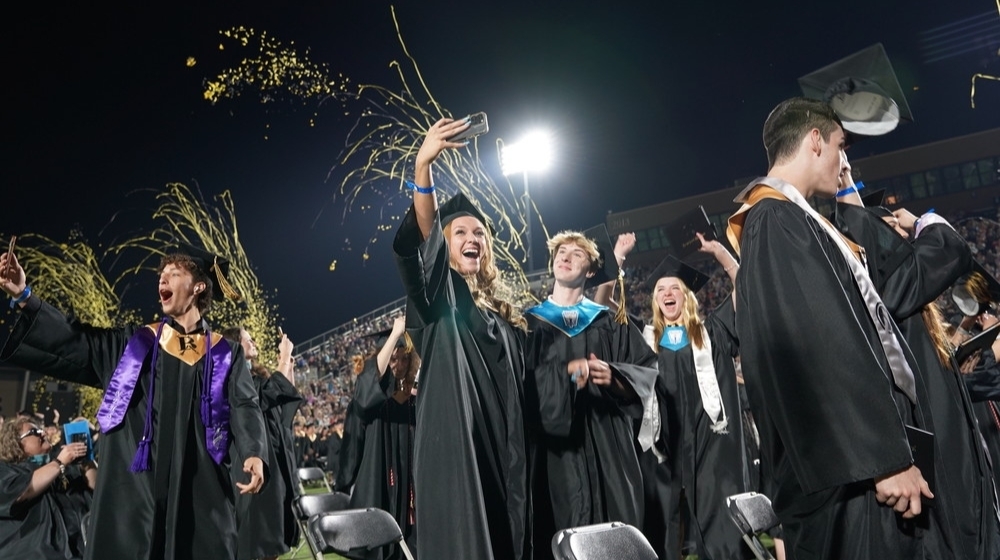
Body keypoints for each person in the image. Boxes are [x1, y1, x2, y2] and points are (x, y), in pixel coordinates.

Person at [725, 97, 933, 559]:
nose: (843, 163)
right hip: (849, 478)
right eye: (841, 145)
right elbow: (823, 344)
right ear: (815, 140)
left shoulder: (793, 219)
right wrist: (886, 459)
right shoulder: (776, 217)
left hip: (851, 467)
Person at [0, 247, 267, 560]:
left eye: (174, 274)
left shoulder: (225, 354)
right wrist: (25, 296)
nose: (162, 280)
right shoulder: (135, 344)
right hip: (135, 491)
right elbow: (76, 339)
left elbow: (246, 405)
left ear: (199, 286)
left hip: (199, 489)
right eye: (161, 275)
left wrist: (253, 451)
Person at [393, 117, 530, 560]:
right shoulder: (436, 299)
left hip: (502, 450)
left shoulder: (503, 318)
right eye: (460, 233)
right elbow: (426, 238)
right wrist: (423, 167)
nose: (472, 239)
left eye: (479, 234)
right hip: (457, 450)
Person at [835, 193, 999, 558]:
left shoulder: (916, 306)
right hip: (937, 456)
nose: (899, 238)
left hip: (962, 453)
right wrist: (923, 221)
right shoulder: (888, 300)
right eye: (887, 231)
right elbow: (948, 250)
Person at [524, 228, 657, 557]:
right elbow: (517, 388)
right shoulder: (527, 325)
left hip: (608, 446)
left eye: (577, 254)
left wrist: (615, 377)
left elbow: (647, 373)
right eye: (561, 253)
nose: (566, 257)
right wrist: (565, 372)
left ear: (593, 270)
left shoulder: (611, 322)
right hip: (553, 454)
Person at [642, 244, 749, 559]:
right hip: (664, 445)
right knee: (663, 527)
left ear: (686, 296)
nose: (668, 292)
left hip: (711, 444)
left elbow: (743, 289)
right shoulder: (644, 341)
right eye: (661, 288)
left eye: (675, 287)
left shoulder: (711, 332)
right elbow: (607, 310)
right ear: (655, 299)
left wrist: (719, 252)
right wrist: (618, 261)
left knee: (721, 531)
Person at [224, 326, 302, 560]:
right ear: (236, 345)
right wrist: (284, 358)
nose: (254, 342)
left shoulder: (256, 377)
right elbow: (265, 397)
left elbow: (281, 400)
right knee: (256, 539)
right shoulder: (233, 380)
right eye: (249, 339)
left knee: (272, 539)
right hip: (252, 463)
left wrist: (287, 364)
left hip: (274, 463)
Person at [349, 316, 419, 559]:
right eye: (392, 358)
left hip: (410, 487)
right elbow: (365, 395)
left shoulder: (414, 398)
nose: (397, 364)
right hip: (379, 481)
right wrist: (394, 335)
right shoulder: (373, 395)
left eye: (403, 358)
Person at [0, 417, 95, 559]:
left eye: (41, 429)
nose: (43, 433)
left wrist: (86, 460)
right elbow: (23, 491)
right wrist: (59, 462)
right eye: (34, 431)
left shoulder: (62, 467)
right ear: (15, 442)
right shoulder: (6, 471)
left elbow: (97, 489)